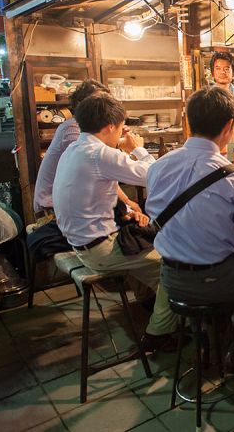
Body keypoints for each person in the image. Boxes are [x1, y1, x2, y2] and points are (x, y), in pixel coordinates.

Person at [145, 87, 234, 371]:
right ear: (229, 127)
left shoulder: (157, 168)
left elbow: (154, 215)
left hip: (170, 279)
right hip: (219, 281)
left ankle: (206, 334)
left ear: (189, 121)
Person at [53, 93, 178, 351]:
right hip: (100, 250)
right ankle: (159, 333)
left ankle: (155, 307)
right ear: (110, 126)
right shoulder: (100, 154)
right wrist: (137, 149)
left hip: (80, 242)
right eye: (121, 127)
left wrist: (128, 209)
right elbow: (154, 175)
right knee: (174, 268)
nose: (122, 132)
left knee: (148, 238)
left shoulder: (75, 148)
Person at [33, 79, 141, 216]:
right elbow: (101, 166)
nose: (106, 107)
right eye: (99, 102)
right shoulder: (72, 129)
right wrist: (126, 202)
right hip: (52, 210)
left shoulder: (87, 130)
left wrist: (115, 136)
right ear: (84, 105)